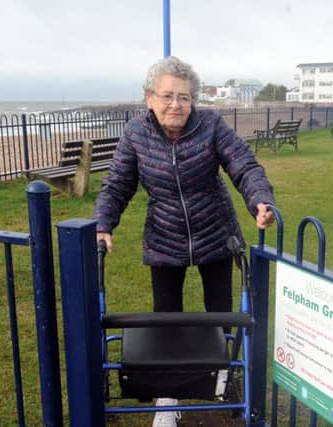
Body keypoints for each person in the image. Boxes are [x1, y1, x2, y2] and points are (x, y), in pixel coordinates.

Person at [93, 56, 275, 427]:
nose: (176, 105)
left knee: (220, 309)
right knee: (167, 318)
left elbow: (242, 163)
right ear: (149, 98)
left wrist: (260, 199)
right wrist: (102, 224)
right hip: (164, 236)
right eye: (167, 96)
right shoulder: (136, 134)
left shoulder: (210, 125)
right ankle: (167, 397)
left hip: (215, 229)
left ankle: (223, 375)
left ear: (194, 101)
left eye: (185, 97)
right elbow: (117, 183)